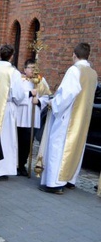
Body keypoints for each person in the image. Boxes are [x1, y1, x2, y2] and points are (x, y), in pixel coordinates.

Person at [39, 42, 97, 194]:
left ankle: (55, 183)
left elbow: (67, 94)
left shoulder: (74, 70)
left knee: (58, 147)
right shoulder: (93, 74)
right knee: (76, 147)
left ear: (74, 55)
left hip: (68, 117)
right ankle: (70, 180)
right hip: (82, 119)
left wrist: (53, 103)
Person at [0, 44, 26, 181]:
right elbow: (19, 95)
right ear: (12, 56)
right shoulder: (14, 73)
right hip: (7, 108)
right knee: (5, 140)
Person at [17, 59, 51, 176]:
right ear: (25, 69)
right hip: (20, 115)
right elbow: (16, 96)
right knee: (17, 141)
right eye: (30, 67)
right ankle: (14, 164)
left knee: (27, 142)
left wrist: (39, 101)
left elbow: (47, 96)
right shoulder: (19, 80)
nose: (33, 70)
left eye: (34, 67)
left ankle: (22, 165)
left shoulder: (41, 81)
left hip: (32, 116)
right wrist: (30, 94)